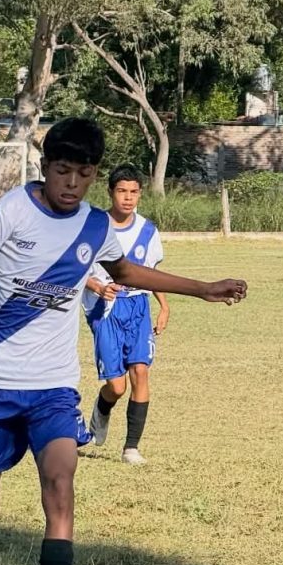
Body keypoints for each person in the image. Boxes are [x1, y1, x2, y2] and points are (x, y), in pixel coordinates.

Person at [0, 117, 247, 565]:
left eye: (83, 174)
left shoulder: (93, 225)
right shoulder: (13, 210)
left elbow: (126, 270)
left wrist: (203, 289)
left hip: (55, 387)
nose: (72, 184)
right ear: (46, 168)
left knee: (61, 487)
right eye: (63, 171)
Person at [83, 165, 170, 464]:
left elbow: (150, 273)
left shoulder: (148, 230)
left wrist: (164, 305)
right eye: (122, 191)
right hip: (105, 308)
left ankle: (131, 448)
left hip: (138, 306)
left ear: (140, 194)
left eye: (133, 191)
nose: (128, 198)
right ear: (110, 192)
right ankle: (102, 409)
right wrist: (95, 285)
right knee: (116, 386)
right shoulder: (94, 226)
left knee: (141, 372)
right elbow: (72, 267)